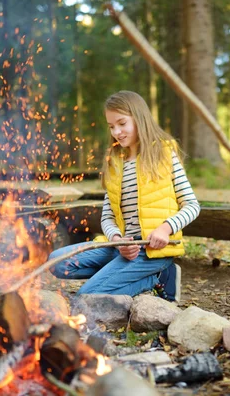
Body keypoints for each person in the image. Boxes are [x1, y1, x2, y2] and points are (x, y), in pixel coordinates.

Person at [49, 90, 200, 302]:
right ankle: (127, 277)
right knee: (57, 262)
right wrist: (117, 240)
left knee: (87, 296)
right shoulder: (114, 163)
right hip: (120, 249)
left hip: (152, 252)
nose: (117, 132)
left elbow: (192, 205)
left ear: (139, 119)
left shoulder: (164, 154)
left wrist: (165, 229)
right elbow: (107, 216)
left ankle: (157, 277)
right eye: (111, 126)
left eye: (122, 123)